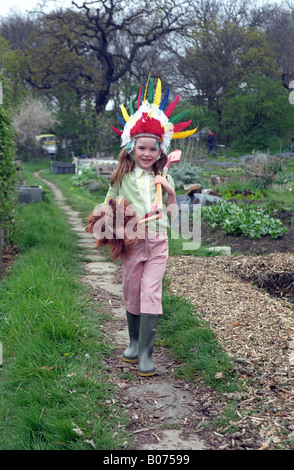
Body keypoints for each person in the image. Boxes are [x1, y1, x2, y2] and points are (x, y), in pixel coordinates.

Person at [89, 75, 197, 376]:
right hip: (132, 242)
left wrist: (171, 191)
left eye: (153, 149)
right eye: (142, 148)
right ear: (132, 148)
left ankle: (147, 354)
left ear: (161, 150)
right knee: (132, 290)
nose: (147, 154)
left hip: (158, 244)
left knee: (151, 291)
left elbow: (174, 216)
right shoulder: (122, 176)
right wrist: (107, 222)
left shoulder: (165, 179)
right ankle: (134, 343)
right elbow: (107, 204)